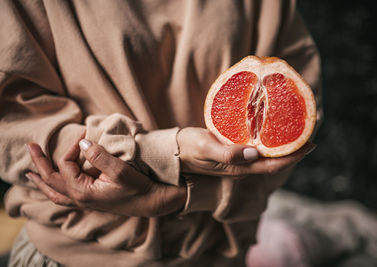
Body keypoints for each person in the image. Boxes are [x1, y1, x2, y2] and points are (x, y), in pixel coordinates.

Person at [0, 0, 322, 266]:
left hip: (218, 257)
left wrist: (187, 195)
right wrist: (152, 155)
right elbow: (13, 125)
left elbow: (300, 108)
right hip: (72, 256)